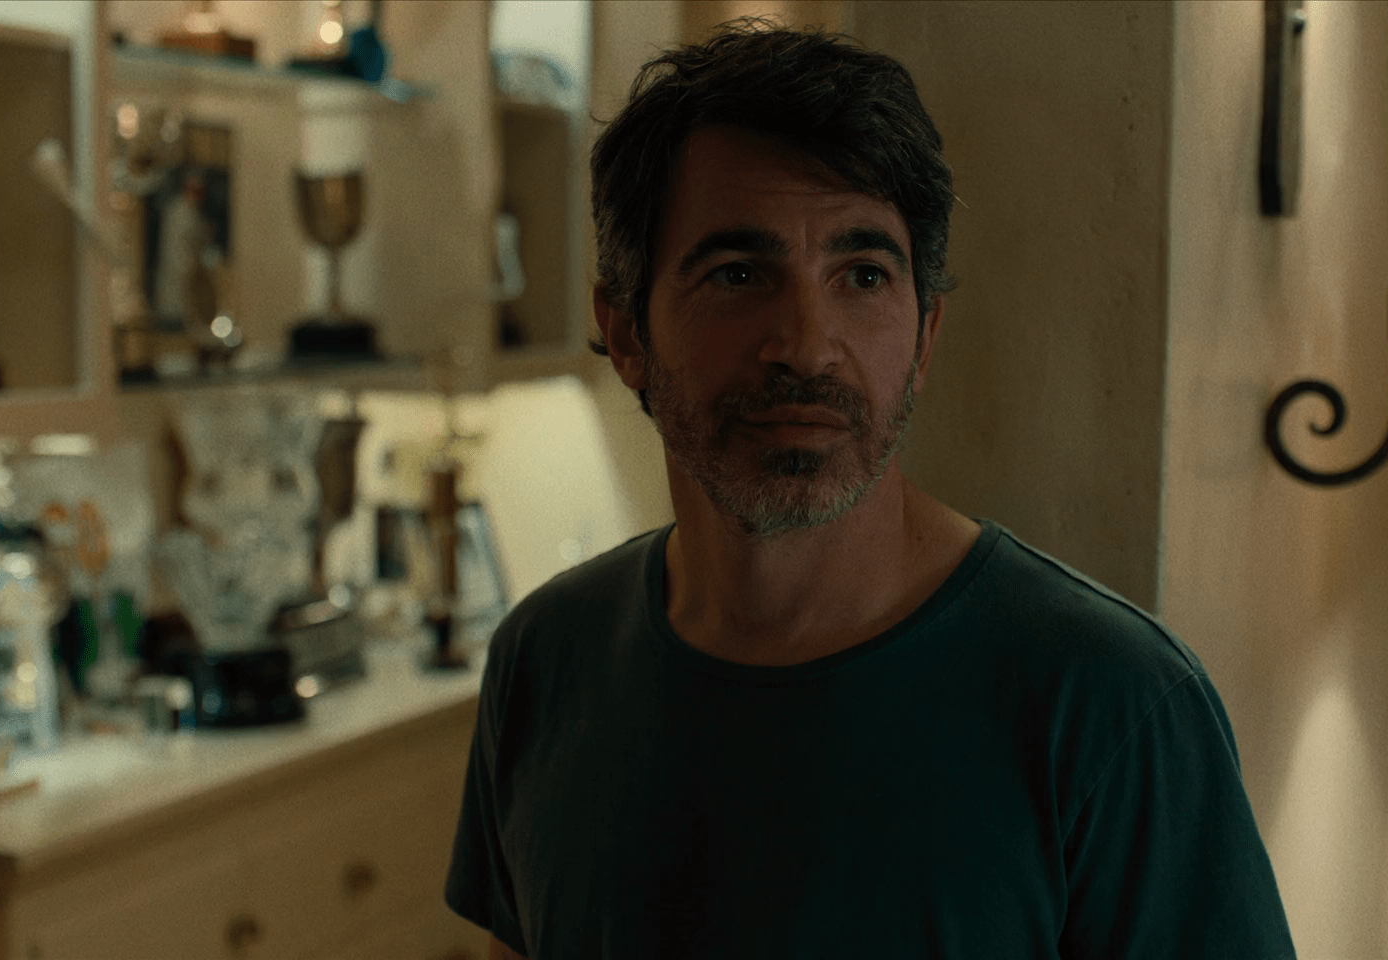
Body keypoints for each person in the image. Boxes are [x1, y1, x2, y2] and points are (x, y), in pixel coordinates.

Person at [444, 21, 1295, 960]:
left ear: (923, 337)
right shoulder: (544, 660)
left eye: (862, 275)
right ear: (627, 333)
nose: (808, 346)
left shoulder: (1111, 709)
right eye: (738, 274)